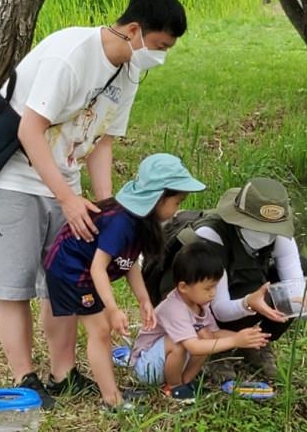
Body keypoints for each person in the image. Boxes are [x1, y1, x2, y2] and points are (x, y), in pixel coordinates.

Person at [0, 0, 188, 409]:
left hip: (67, 177)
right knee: (15, 284)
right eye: (161, 46)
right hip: (16, 177)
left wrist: (111, 207)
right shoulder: (71, 56)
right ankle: (25, 379)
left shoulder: (130, 70)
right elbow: (29, 130)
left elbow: (103, 141)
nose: (162, 57)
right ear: (134, 30)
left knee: (63, 277)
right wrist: (67, 199)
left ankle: (63, 373)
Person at [44, 153, 206, 409]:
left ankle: (112, 392)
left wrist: (143, 300)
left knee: (103, 330)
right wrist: (113, 308)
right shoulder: (122, 222)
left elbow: (128, 263)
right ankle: (112, 400)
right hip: (71, 270)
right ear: (158, 198)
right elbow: (98, 269)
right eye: (177, 202)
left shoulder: (141, 222)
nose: (177, 208)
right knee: (100, 331)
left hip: (85, 269)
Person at [153, 177, 307, 381]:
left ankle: (257, 343)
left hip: (238, 291)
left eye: (273, 228)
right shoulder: (210, 236)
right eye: (259, 226)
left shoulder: (280, 236)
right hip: (196, 300)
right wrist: (249, 303)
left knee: (305, 272)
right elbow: (219, 308)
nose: (268, 234)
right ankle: (217, 349)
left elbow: (295, 290)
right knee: (258, 291)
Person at [130, 240, 271, 403]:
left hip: (167, 362)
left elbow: (214, 334)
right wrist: (234, 341)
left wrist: (243, 337)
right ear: (183, 287)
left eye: (215, 287)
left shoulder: (200, 304)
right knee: (179, 343)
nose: (213, 293)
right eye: (208, 288)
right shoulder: (174, 308)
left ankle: (186, 382)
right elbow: (193, 347)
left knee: (207, 335)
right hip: (145, 368)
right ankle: (174, 387)